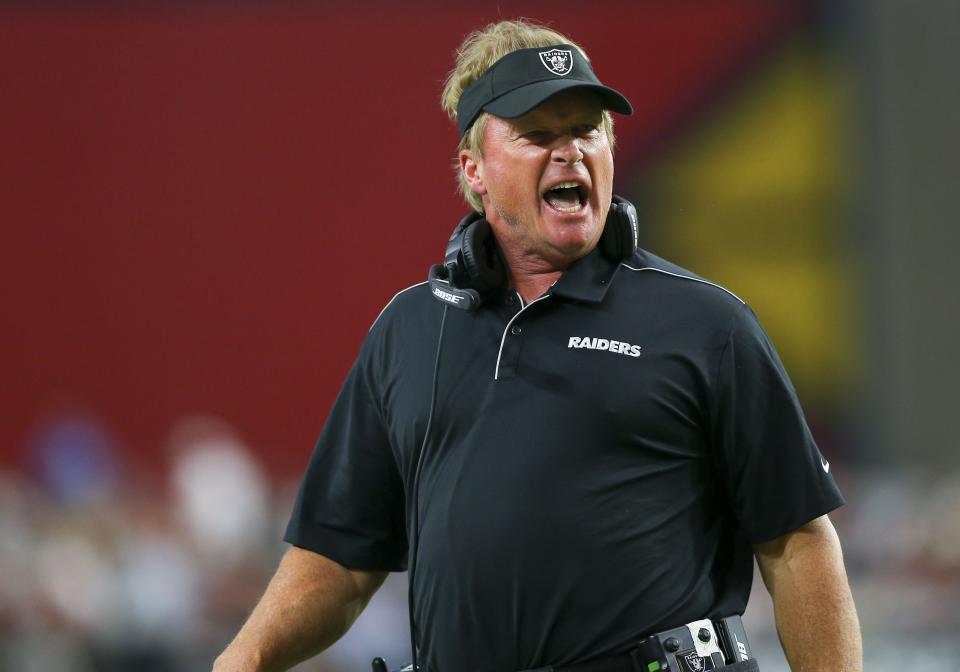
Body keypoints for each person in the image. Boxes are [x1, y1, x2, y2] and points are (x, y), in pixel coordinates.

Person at [213, 19, 862, 672]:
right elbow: (341, 557)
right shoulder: (408, 332)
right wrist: (243, 660)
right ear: (475, 169)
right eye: (538, 135)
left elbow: (798, 541)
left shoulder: (705, 325)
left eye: (587, 129)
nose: (571, 151)